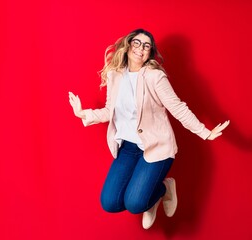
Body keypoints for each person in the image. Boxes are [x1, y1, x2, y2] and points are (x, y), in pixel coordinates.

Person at [68, 28, 230, 229]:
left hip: (156, 147)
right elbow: (110, 110)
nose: (141, 48)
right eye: (137, 43)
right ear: (128, 46)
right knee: (110, 203)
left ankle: (163, 189)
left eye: (146, 45)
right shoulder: (115, 75)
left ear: (149, 53)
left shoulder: (155, 77)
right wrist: (84, 114)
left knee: (135, 204)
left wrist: (205, 132)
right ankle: (155, 194)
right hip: (128, 148)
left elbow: (177, 107)